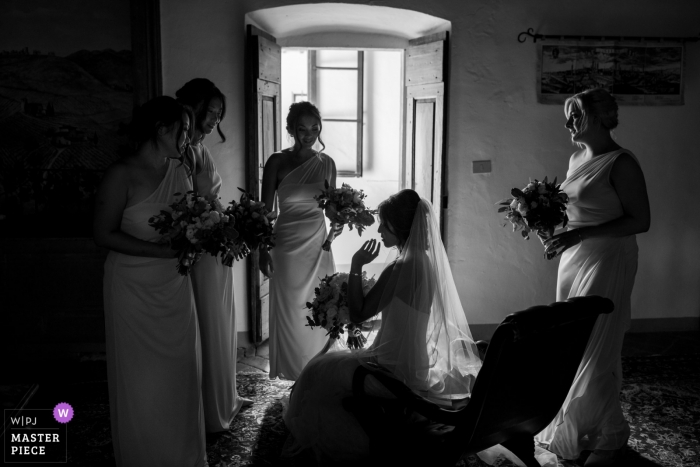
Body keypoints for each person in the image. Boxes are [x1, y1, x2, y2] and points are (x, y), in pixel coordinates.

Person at [283, 189, 482, 464]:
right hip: (416, 367)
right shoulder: (426, 264)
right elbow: (404, 317)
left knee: (317, 372)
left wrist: (355, 265)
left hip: (391, 373)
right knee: (327, 366)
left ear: (400, 227)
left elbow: (357, 314)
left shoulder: (399, 269)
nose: (379, 230)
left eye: (384, 224)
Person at [537, 88, 651, 466]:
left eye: (576, 115)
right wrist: (549, 230)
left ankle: (610, 434)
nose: (568, 123)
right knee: (573, 344)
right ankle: (588, 426)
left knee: (597, 345)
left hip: (608, 258)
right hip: (573, 259)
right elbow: (575, 215)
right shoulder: (574, 159)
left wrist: (580, 235)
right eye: (567, 116)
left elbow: (641, 220)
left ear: (602, 117)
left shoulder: (621, 163)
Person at [94, 96, 207, 466]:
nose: (188, 140)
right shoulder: (121, 175)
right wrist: (162, 253)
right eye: (183, 131)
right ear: (161, 129)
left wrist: (198, 240)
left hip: (175, 286)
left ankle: (183, 456)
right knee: (141, 379)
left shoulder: (182, 171)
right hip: (132, 288)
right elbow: (103, 234)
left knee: (181, 371)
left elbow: (190, 221)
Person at [175, 78, 252, 432]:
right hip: (201, 251)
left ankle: (224, 396)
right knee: (207, 323)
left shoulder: (201, 149)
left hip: (216, 247)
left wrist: (235, 226)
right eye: (213, 112)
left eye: (220, 115)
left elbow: (212, 200)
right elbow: (187, 204)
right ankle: (208, 407)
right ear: (195, 106)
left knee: (221, 321)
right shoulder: (181, 152)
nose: (215, 121)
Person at [259, 101, 342, 380]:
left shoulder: (326, 163)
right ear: (291, 129)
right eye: (302, 128)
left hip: (318, 245)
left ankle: (316, 372)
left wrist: (340, 218)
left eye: (315, 128)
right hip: (285, 246)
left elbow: (330, 206)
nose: (309, 134)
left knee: (320, 306)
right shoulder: (277, 161)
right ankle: (293, 372)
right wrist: (262, 250)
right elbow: (265, 212)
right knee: (291, 310)